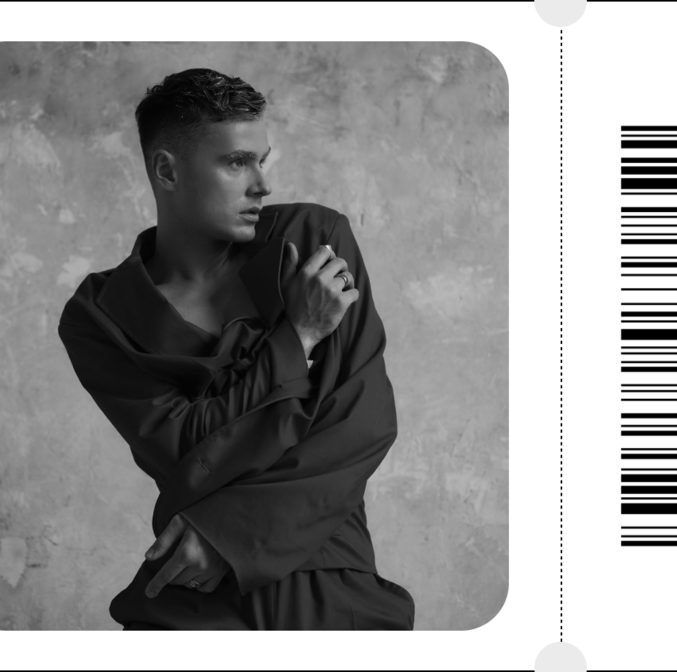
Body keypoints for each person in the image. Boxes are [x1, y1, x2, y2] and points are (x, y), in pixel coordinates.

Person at [57, 68, 414, 630]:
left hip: (324, 581)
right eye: (236, 163)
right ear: (167, 171)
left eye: (261, 160)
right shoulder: (101, 314)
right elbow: (185, 452)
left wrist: (229, 535)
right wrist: (297, 336)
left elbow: (360, 422)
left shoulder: (313, 241)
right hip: (191, 594)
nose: (261, 185)